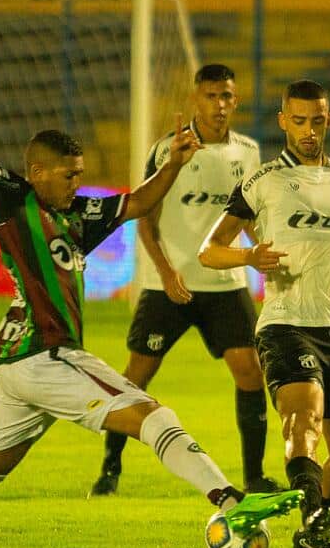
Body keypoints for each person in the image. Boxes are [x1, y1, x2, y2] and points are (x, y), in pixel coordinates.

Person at [0, 57, 303, 548]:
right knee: (154, 415)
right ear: (38, 172)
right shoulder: (12, 200)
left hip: (18, 365)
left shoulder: (79, 216)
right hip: (47, 354)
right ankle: (231, 502)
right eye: (69, 176)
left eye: (81, 176)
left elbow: (138, 203)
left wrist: (174, 165)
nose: (76, 184)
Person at [198, 79, 330, 548]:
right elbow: (209, 250)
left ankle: (318, 533)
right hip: (285, 323)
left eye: (316, 121)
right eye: (298, 121)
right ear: (282, 122)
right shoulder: (264, 181)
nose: (308, 130)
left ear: (328, 120)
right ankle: (312, 515)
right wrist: (249, 255)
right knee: (303, 417)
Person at [90, 64, 282, 497]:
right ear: (196, 99)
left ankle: (254, 476)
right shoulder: (169, 149)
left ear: (235, 100)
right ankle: (110, 468)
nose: (219, 104)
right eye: (211, 96)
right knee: (136, 377)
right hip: (168, 287)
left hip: (225, 284)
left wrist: (260, 254)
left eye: (226, 96)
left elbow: (247, 217)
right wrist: (165, 271)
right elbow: (145, 218)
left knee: (250, 372)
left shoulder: (248, 153)